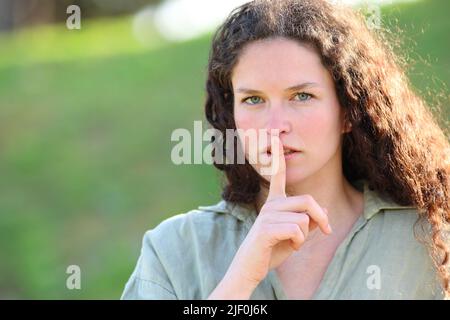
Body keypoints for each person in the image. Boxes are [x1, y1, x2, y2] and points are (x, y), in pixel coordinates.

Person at [121, 0, 450, 299]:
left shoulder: (425, 240)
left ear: (348, 111)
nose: (275, 125)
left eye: (302, 96)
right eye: (253, 100)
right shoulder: (174, 250)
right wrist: (242, 277)